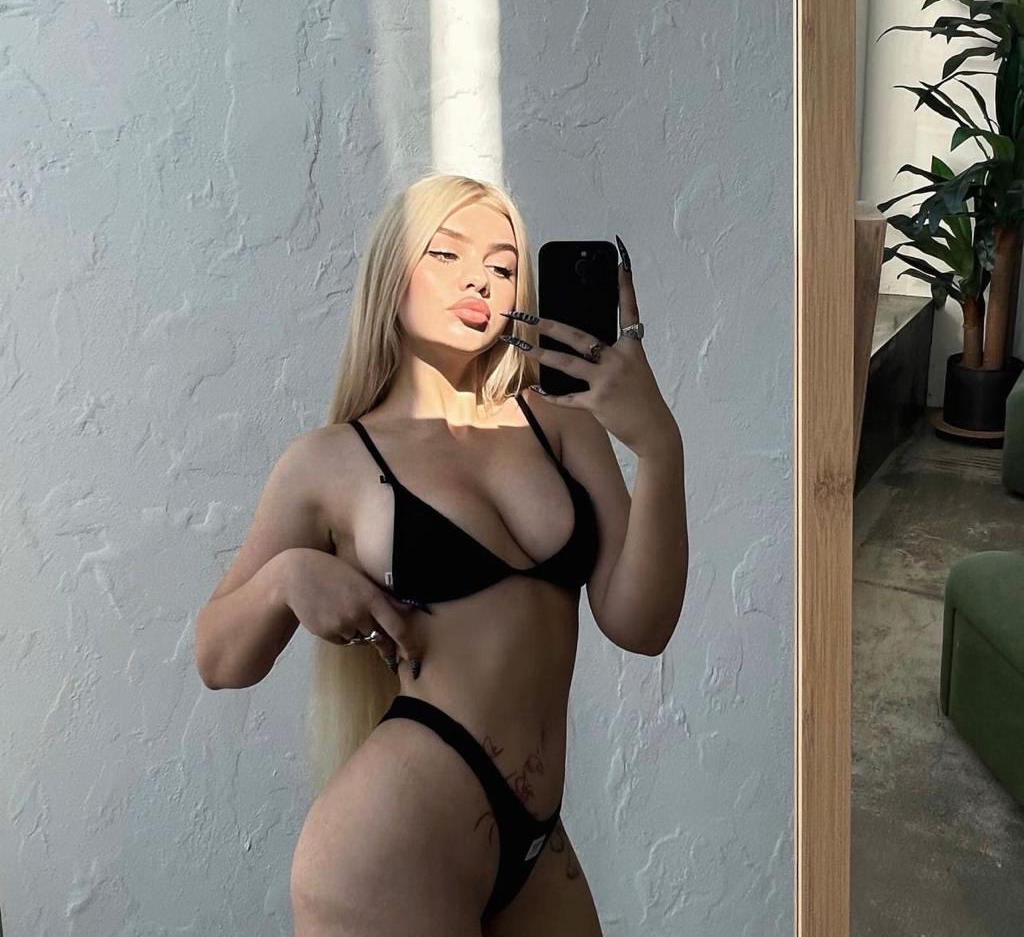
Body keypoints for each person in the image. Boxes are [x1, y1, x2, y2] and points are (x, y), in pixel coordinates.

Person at [194, 171, 687, 936]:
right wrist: (287, 578)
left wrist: (658, 444)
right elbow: (218, 658)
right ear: (391, 278)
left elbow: (641, 624)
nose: (479, 280)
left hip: (535, 838)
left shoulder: (562, 425)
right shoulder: (328, 461)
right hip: (390, 844)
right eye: (448, 254)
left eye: (501, 265)